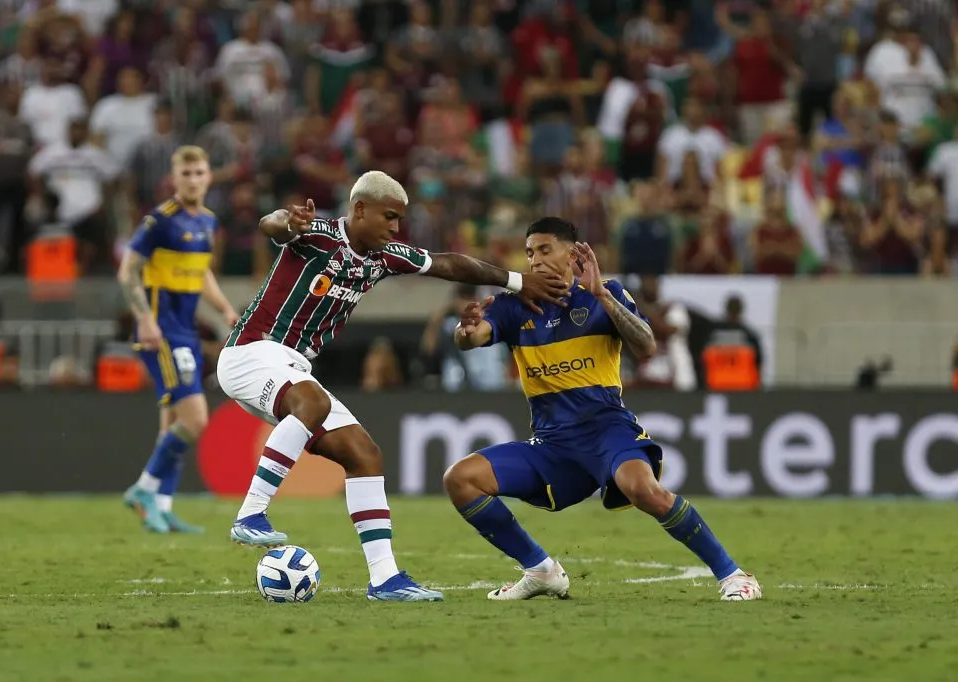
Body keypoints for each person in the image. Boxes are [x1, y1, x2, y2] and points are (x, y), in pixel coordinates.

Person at [215, 170, 568, 602]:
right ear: (359, 209)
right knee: (313, 402)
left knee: (365, 455)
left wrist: (516, 280)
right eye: (389, 216)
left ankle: (385, 579)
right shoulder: (317, 234)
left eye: (400, 219)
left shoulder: (384, 256)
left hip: (292, 366)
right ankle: (251, 513)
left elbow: (449, 263)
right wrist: (285, 222)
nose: (396, 228)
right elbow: (271, 225)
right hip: (252, 350)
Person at [442, 217, 762, 602]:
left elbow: (645, 345)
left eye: (545, 250)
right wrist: (465, 329)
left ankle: (735, 576)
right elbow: (472, 338)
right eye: (530, 253)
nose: (535, 260)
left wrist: (604, 298)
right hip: (552, 446)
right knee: (460, 479)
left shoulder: (604, 294)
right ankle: (541, 570)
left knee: (643, 489)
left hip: (607, 430)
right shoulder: (515, 307)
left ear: (572, 253)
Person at [116, 146, 239, 534]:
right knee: (196, 418)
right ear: (175, 178)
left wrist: (224, 309)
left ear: (208, 177)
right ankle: (144, 489)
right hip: (163, 330)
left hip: (186, 329)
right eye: (185, 173)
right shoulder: (160, 221)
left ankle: (163, 508)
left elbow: (201, 273)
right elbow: (127, 271)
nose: (192, 179)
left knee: (171, 421)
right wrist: (145, 320)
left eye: (199, 172)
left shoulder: (207, 222)